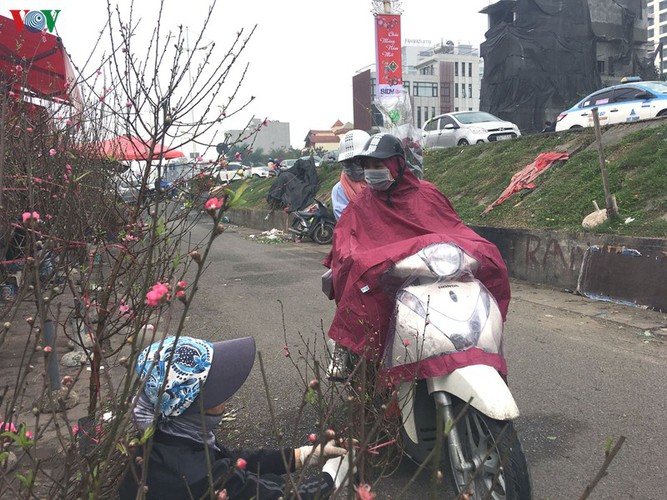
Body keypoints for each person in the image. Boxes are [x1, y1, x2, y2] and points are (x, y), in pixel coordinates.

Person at [323, 133, 511, 379]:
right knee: (357, 284)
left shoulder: (428, 193)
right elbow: (347, 245)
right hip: (388, 276)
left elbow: (453, 228)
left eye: (378, 165)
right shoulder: (360, 205)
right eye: (367, 166)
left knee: (490, 255)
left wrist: (472, 248)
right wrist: (360, 261)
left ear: (396, 164)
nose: (371, 172)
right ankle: (351, 350)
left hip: (431, 271)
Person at [119, 335, 352, 499]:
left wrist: (302, 456)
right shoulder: (194, 473)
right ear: (190, 408)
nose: (226, 398)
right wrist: (331, 478)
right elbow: (269, 495)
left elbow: (231, 463)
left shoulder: (172, 435)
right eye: (217, 392)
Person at [331, 130, 370, 220]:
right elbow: (346, 222)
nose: (353, 166)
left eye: (357, 161)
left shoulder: (379, 181)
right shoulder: (339, 190)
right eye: (347, 162)